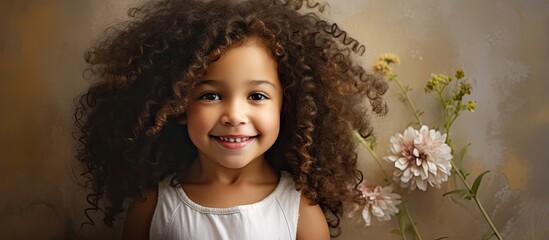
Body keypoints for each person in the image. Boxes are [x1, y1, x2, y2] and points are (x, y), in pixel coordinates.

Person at [74, 0, 388, 239]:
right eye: (210, 96)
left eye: (257, 96)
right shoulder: (153, 204)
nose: (235, 116)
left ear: (287, 108)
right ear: (178, 105)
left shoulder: (299, 209)